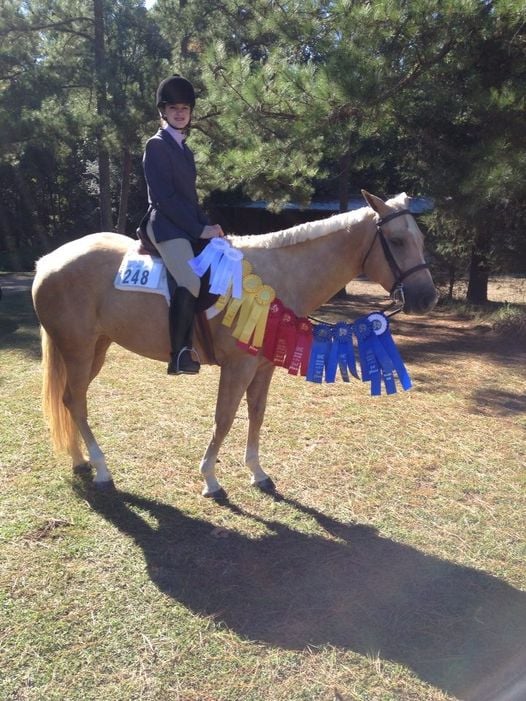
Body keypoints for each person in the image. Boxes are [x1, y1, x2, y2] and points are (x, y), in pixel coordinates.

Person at [142, 74, 224, 375]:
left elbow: (189, 200)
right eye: (173, 107)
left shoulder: (185, 151)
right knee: (190, 279)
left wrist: (210, 227)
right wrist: (197, 230)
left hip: (184, 221)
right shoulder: (157, 145)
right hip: (163, 223)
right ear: (163, 111)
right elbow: (164, 198)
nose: (180, 113)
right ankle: (179, 354)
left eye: (185, 108)